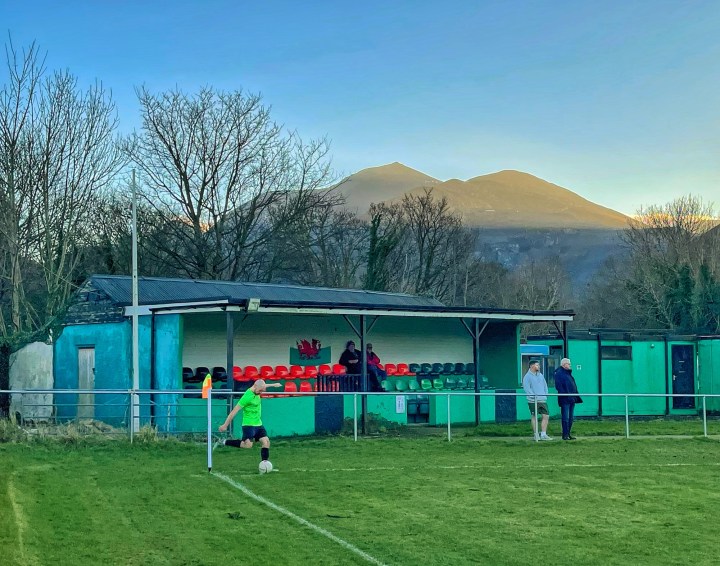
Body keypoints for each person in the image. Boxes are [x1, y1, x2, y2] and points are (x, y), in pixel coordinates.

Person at [216, 379, 281, 467]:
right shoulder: (247, 396)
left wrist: (274, 384)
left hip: (258, 423)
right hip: (248, 424)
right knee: (247, 445)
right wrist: (225, 425)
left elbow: (263, 385)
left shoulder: (258, 387)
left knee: (266, 442)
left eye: (262, 390)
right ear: (255, 386)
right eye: (260, 391)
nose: (261, 393)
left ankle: (264, 464)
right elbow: (234, 411)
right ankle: (224, 441)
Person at [522, 359, 552, 440]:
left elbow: (545, 385)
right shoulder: (527, 377)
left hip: (542, 399)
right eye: (537, 365)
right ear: (531, 366)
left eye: (539, 365)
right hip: (533, 400)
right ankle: (536, 434)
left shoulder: (540, 375)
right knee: (534, 416)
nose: (539, 366)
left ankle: (543, 434)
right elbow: (527, 388)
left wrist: (545, 394)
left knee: (546, 415)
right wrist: (533, 396)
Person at [553, 357, 582, 440]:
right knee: (565, 417)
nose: (570, 365)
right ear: (563, 364)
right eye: (568, 364)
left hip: (572, 398)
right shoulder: (559, 373)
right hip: (565, 399)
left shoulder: (568, 374)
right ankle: (565, 434)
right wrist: (565, 395)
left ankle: (568, 433)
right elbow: (559, 386)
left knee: (570, 417)